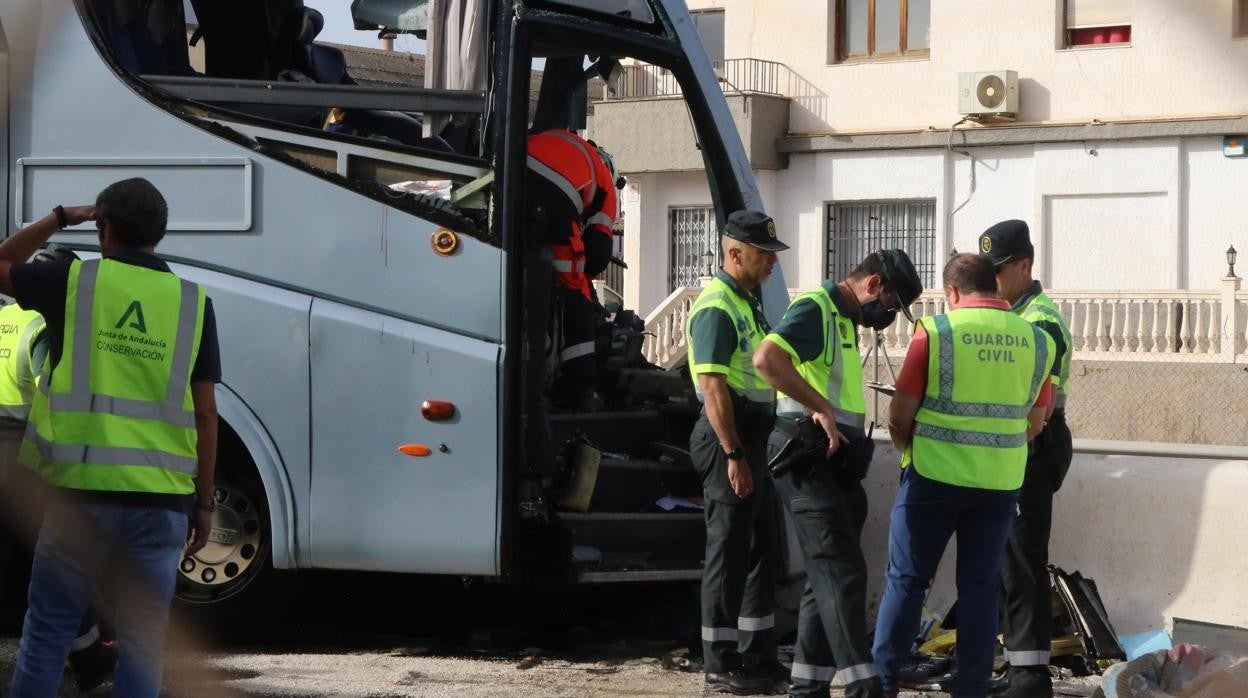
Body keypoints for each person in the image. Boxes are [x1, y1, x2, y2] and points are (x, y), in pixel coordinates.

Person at [0, 178, 221, 697]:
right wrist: (204, 504)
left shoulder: (74, 283)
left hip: (79, 500)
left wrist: (58, 217)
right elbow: (206, 414)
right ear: (159, 234)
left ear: (103, 229)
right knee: (145, 645)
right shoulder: (193, 302)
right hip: (161, 504)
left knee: (49, 634)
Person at [872, 254, 1055, 698]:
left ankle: (881, 683)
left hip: (932, 478)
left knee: (908, 581)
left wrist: (908, 449)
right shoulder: (1037, 340)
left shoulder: (935, 332)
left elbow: (900, 414)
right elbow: (1037, 419)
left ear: (952, 292)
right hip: (998, 484)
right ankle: (970, 687)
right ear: (994, 285)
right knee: (980, 587)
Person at [753, 250, 923, 698]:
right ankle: (860, 683)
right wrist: (819, 406)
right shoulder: (817, 309)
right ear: (872, 285)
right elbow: (767, 359)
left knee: (824, 575)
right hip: (804, 458)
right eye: (891, 304)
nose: (888, 316)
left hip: (834, 464)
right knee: (840, 569)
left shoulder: (844, 320)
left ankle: (807, 686)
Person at [0, 244, 121, 692]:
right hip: (26, 459)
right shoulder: (44, 328)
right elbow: (51, 398)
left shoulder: (4, 319)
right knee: (58, 565)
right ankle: (89, 656)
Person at [686, 210, 788, 695]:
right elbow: (712, 387)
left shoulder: (747, 302)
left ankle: (758, 656)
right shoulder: (717, 306)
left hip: (754, 437)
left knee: (763, 550)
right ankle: (719, 661)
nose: (771, 262)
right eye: (763, 253)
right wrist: (733, 454)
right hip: (730, 437)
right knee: (728, 552)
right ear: (734, 253)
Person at [978, 221, 1074, 698]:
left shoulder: (1040, 320)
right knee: (1001, 559)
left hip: (1035, 445)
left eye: (998, 271)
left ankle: (1031, 677)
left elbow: (1029, 386)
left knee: (1021, 560)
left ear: (1024, 266)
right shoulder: (1011, 314)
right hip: (1009, 446)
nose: (991, 281)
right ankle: (1013, 666)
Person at [525, 128, 620, 411]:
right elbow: (599, 254)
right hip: (554, 192)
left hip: (514, 172)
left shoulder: (570, 146)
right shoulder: (605, 182)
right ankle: (581, 390)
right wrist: (585, 283)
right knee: (575, 289)